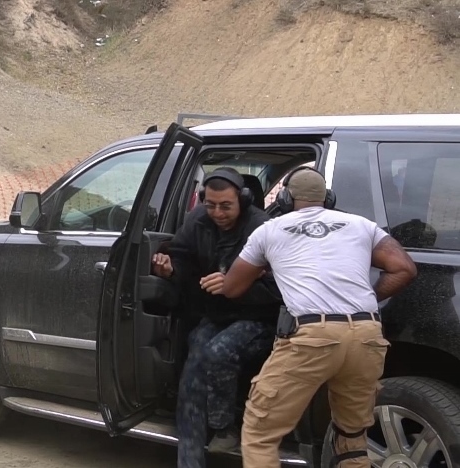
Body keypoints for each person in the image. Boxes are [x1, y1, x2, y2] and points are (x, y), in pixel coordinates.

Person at [220, 167, 417, 468]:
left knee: (260, 433)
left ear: (285, 198)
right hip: (366, 334)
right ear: (328, 198)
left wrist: (264, 266)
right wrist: (360, 301)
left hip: (312, 338)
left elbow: (232, 288)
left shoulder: (269, 230)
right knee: (351, 438)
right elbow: (404, 267)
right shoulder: (362, 225)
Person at [151, 168, 282, 468]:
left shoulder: (263, 227)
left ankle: (224, 426)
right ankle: (190, 460)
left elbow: (282, 286)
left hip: (259, 316)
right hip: (216, 314)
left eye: (226, 206)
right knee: (193, 363)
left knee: (216, 350)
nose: (218, 213)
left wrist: (234, 284)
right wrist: (170, 270)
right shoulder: (197, 222)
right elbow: (184, 262)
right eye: (210, 205)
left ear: (243, 200)